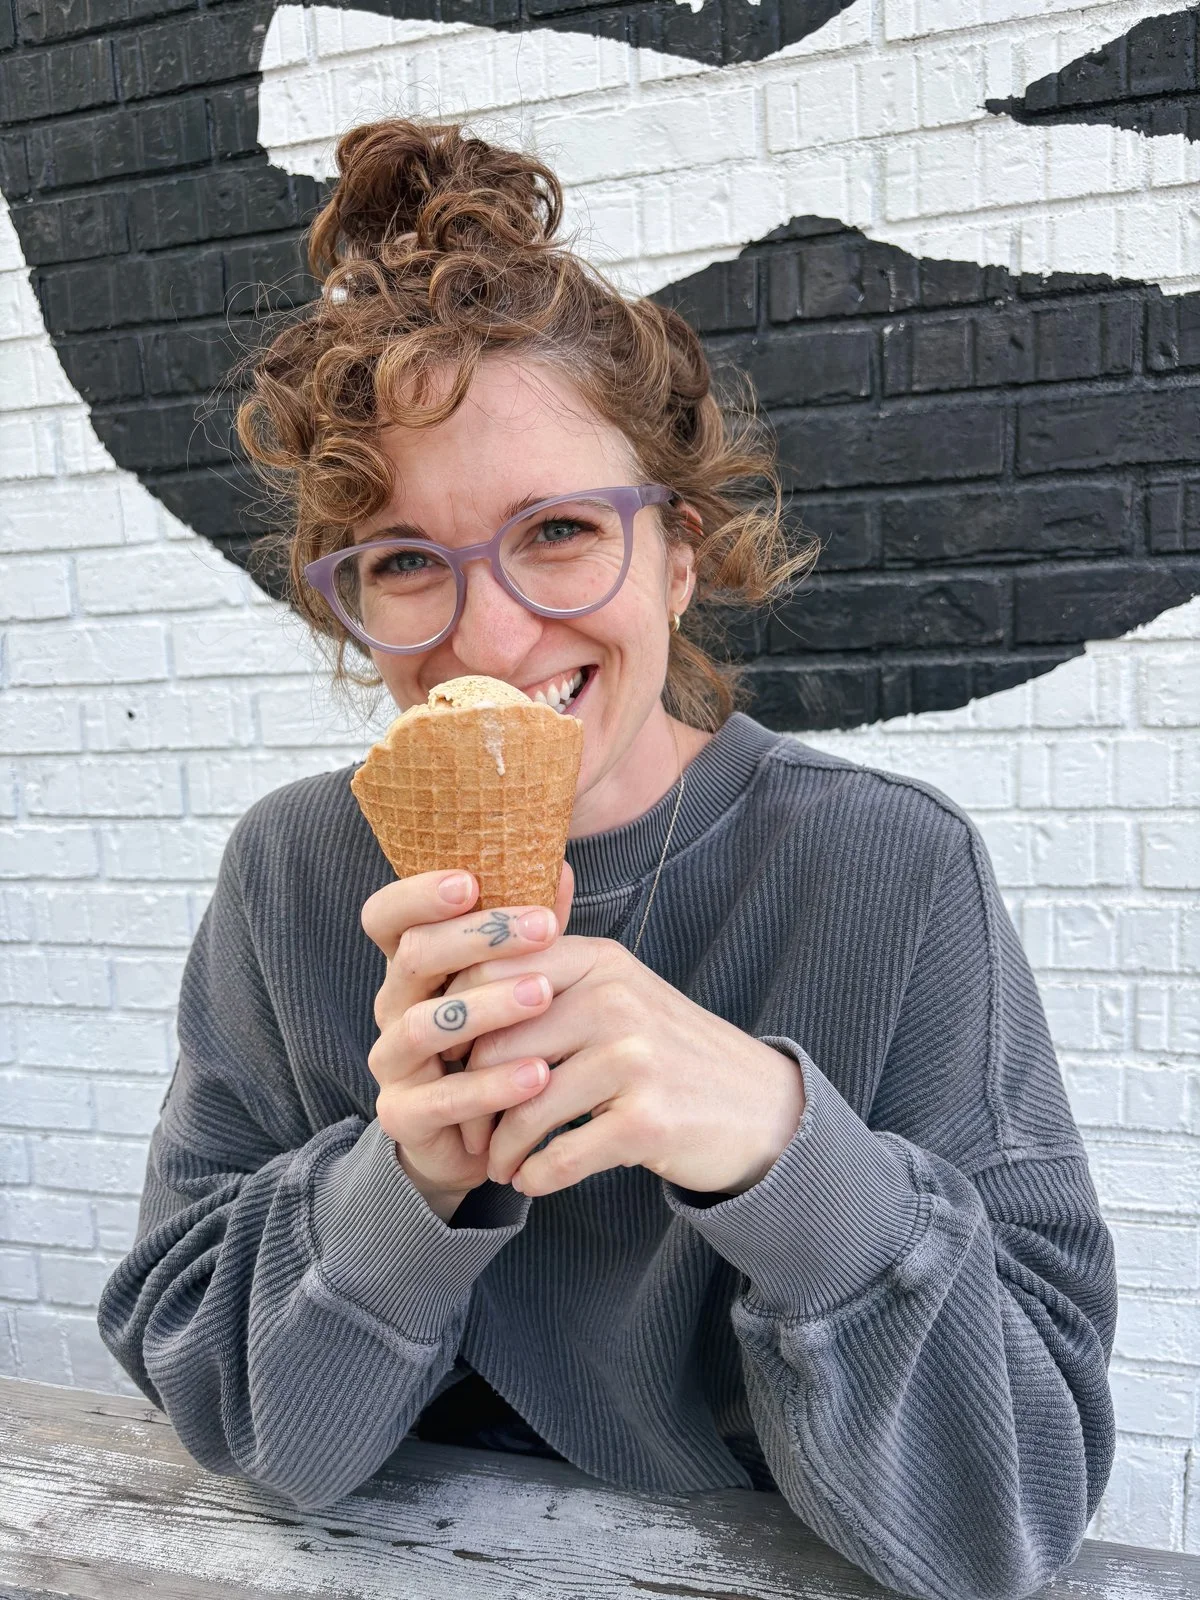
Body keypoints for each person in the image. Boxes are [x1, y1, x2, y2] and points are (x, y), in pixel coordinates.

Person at [98, 118, 1117, 1600]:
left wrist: (782, 1147)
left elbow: (1005, 1515)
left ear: (679, 555)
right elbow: (245, 1431)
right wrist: (404, 1184)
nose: (492, 634)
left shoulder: (891, 873)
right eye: (404, 560)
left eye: (562, 530)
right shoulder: (295, 873)